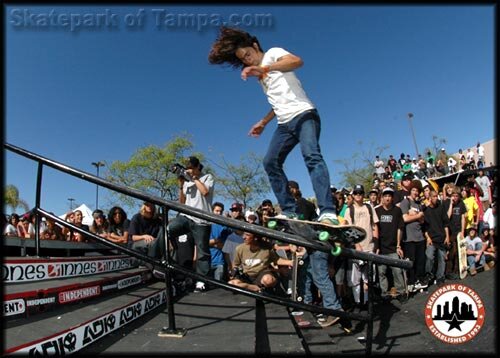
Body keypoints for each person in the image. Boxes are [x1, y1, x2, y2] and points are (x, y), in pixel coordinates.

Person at [208, 26, 338, 225]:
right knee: (270, 162)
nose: (248, 60)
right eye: (243, 59)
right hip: (284, 124)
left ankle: (328, 211)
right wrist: (263, 122)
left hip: (304, 115)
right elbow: (277, 104)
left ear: (255, 46)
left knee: (311, 155)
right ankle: (290, 210)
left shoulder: (273, 54)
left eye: (248, 54)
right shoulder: (261, 78)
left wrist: (265, 68)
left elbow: (297, 61)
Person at [165, 156, 214, 292]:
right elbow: (182, 202)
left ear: (198, 166)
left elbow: (205, 192)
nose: (189, 170)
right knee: (167, 230)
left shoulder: (207, 177)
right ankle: (156, 259)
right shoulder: (187, 181)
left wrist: (193, 178)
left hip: (202, 219)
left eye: (192, 167)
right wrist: (181, 185)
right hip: (186, 216)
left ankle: (202, 281)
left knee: (202, 250)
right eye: (187, 168)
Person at [343, 184, 379, 308]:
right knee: (355, 279)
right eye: (356, 193)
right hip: (355, 249)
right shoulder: (349, 210)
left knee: (368, 277)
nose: (358, 195)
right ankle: (358, 302)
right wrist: (356, 244)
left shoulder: (369, 207)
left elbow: (374, 226)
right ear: (353, 195)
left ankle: (367, 301)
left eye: (360, 193)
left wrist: (376, 243)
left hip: (369, 246)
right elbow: (347, 229)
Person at [375, 187, 406, 301]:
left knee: (397, 271)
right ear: (382, 198)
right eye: (385, 196)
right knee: (381, 273)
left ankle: (401, 292)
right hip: (381, 248)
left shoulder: (397, 211)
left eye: (389, 196)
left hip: (393, 248)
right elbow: (375, 229)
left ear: (392, 198)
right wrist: (376, 247)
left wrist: (398, 245)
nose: (388, 198)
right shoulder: (377, 211)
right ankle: (384, 293)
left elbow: (400, 228)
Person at [400, 180, 428, 292]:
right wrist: (417, 216)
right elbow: (405, 218)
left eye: (417, 190)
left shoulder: (418, 205)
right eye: (414, 190)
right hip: (409, 238)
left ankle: (418, 281)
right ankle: (411, 282)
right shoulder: (405, 202)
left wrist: (416, 214)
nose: (416, 192)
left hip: (419, 236)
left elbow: (422, 220)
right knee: (411, 262)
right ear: (410, 190)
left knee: (420, 261)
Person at [422, 190, 451, 287]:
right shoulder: (425, 210)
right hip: (431, 238)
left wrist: (447, 236)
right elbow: (424, 227)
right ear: (430, 197)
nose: (436, 198)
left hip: (441, 237)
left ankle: (440, 277)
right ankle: (429, 275)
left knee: (442, 258)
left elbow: (445, 223)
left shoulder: (441, 207)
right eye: (434, 196)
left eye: (436, 196)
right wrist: (428, 238)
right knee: (429, 256)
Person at [442, 186, 466, 280]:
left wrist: (463, 231)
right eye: (454, 196)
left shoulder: (461, 203)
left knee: (458, 252)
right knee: (451, 252)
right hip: (450, 231)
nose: (455, 198)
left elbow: (463, 218)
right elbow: (447, 217)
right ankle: (448, 271)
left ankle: (457, 270)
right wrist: (451, 204)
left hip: (458, 231)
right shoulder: (447, 203)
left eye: (457, 196)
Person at [209, 202, 231, 281]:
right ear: (212, 211)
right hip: (207, 262)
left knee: (218, 289)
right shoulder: (206, 224)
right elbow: (203, 242)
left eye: (220, 211)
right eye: (217, 211)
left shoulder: (224, 226)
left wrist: (212, 243)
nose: (219, 213)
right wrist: (217, 241)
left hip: (220, 262)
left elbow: (225, 245)